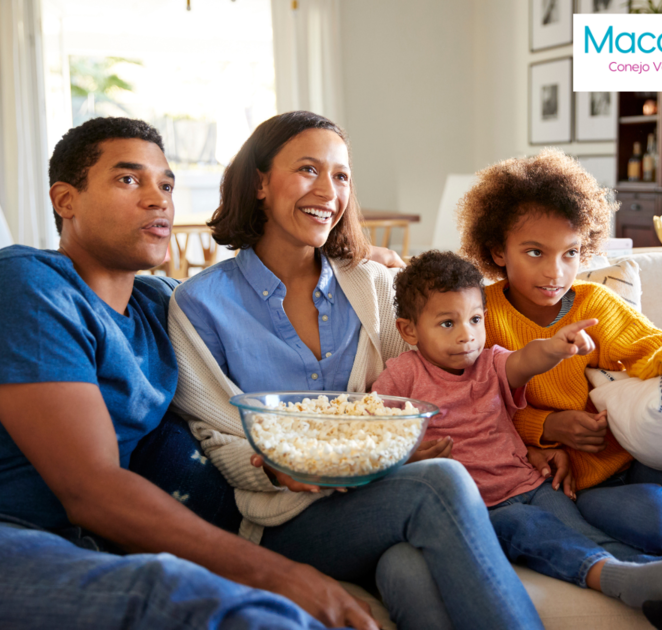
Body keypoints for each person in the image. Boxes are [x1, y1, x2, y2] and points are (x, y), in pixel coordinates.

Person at [0, 116, 384, 630]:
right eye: (129, 180)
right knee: (202, 601)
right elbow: (91, 488)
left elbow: (252, 290)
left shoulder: (161, 306)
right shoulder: (23, 285)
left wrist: (356, 261)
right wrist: (280, 574)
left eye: (166, 184)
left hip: (90, 545)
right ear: (66, 200)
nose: (159, 200)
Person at [164, 110, 544, 630]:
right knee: (443, 484)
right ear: (259, 182)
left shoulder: (374, 287)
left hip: (382, 496)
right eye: (308, 170)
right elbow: (214, 433)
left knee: (406, 569)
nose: (328, 191)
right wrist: (277, 465)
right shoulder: (200, 303)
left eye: (340, 175)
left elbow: (436, 372)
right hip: (284, 517)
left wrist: (531, 437)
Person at [456, 149, 662, 615]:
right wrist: (546, 428)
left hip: (640, 456)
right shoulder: (479, 314)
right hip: (580, 488)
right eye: (535, 253)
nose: (555, 272)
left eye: (570, 253)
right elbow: (470, 404)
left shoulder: (594, 304)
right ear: (497, 251)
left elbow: (656, 345)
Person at [370, 250, 662, 630]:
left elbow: (526, 360)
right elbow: (374, 436)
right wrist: (408, 455)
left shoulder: (490, 362)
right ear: (408, 330)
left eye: (475, 320)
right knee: (532, 530)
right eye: (447, 323)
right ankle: (632, 583)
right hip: (482, 508)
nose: (466, 335)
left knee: (584, 535)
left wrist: (555, 348)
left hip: (534, 485)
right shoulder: (402, 377)